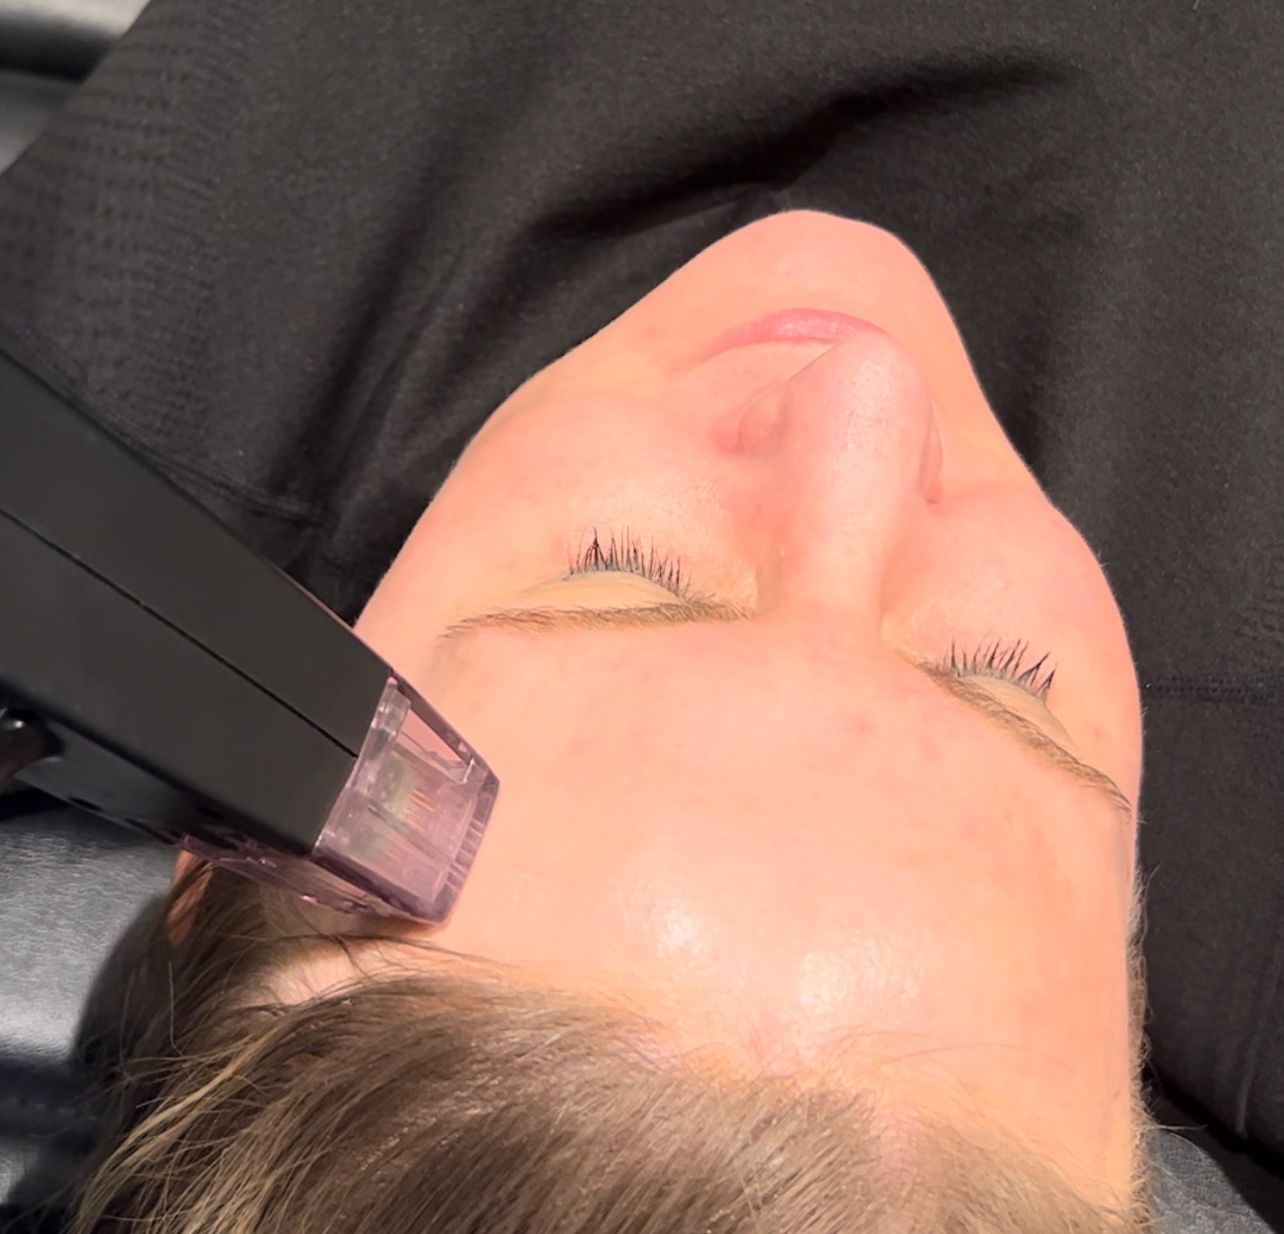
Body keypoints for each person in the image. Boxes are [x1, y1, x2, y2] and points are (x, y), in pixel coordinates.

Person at [0, 1, 1278, 1231]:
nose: (867, 398)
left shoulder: (156, 314)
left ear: (203, 846)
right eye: (1005, 680)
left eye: (621, 574)